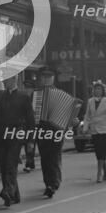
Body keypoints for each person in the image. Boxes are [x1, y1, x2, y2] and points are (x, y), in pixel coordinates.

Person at [0, 73, 35, 207]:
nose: (3, 81)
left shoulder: (24, 97)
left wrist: (31, 140)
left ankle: (7, 190)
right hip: (1, 135)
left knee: (11, 162)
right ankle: (14, 195)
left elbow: (30, 120)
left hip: (16, 134)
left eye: (6, 79)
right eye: (2, 78)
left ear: (14, 79)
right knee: (3, 164)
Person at [35, 67, 65, 198]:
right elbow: (34, 114)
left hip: (56, 130)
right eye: (44, 78)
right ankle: (48, 182)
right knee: (45, 159)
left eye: (48, 78)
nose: (46, 80)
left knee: (53, 157)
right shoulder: (37, 95)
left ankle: (53, 183)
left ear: (52, 79)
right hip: (42, 130)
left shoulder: (59, 94)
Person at [81, 81, 106, 183]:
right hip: (95, 130)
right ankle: (104, 168)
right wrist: (85, 128)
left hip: (105, 130)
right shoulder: (90, 101)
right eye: (96, 89)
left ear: (103, 91)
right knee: (98, 152)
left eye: (99, 89)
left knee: (103, 150)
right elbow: (87, 116)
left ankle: (99, 173)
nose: (97, 91)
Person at [22, 79, 38, 173]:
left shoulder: (36, 99)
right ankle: (30, 163)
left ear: (32, 89)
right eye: (26, 88)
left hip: (34, 124)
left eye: (29, 88)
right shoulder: (22, 98)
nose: (27, 90)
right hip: (24, 124)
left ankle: (29, 163)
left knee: (31, 144)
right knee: (27, 144)